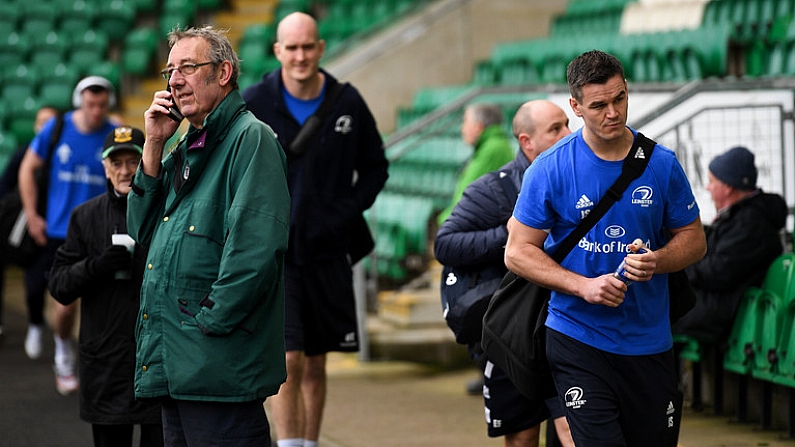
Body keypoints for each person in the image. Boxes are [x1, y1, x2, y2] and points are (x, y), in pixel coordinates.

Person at [504, 50, 707, 447]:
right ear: (576, 107)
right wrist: (582, 286)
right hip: (578, 338)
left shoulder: (661, 163)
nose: (612, 112)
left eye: (619, 99)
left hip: (650, 342)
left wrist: (657, 260)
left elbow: (695, 239)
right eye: (598, 105)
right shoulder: (549, 167)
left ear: (627, 90)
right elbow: (517, 251)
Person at [128, 25, 290, 446]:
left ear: (223, 73)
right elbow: (142, 232)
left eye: (187, 67)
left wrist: (208, 324)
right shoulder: (187, 144)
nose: (175, 80)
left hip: (215, 365)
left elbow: (255, 252)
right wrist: (153, 147)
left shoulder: (250, 139)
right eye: (170, 72)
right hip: (179, 365)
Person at [242, 12, 389, 447]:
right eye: (292, 47)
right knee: (287, 359)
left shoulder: (347, 101)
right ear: (277, 51)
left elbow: (376, 168)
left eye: (308, 46)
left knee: (317, 362)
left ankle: (308, 442)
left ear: (321, 48)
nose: (301, 55)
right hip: (275, 255)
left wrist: (343, 213)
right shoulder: (255, 101)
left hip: (327, 254)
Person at [435, 100, 574, 447]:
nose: (569, 135)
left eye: (567, 124)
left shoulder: (586, 177)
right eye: (556, 129)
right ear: (527, 142)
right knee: (522, 434)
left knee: (571, 429)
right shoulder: (494, 189)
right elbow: (446, 245)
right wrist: (509, 234)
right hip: (516, 331)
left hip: (571, 324)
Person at [48, 126, 164, 447]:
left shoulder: (167, 211)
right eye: (116, 163)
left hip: (158, 363)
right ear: (105, 167)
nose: (125, 171)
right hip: (106, 365)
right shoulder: (85, 216)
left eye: (133, 161)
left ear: (149, 161)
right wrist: (95, 266)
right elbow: (59, 286)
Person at [18, 77, 118, 395]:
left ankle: (102, 366)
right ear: (80, 101)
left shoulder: (112, 133)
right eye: (90, 104)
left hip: (100, 231)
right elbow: (27, 169)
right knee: (65, 305)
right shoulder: (58, 128)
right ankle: (62, 349)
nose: (96, 111)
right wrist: (33, 214)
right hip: (61, 233)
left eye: (102, 105)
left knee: (107, 304)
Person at [673, 146, 787, 342]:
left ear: (728, 186)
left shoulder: (750, 223)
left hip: (723, 312)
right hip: (714, 304)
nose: (707, 187)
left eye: (711, 181)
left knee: (651, 316)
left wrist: (677, 263)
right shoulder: (741, 217)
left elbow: (717, 272)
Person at [0, 106, 58, 338]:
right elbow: (5, 188)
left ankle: (38, 322)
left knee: (39, 283)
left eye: (49, 122)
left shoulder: (63, 155)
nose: (43, 127)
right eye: (40, 121)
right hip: (20, 227)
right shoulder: (23, 153)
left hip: (52, 229)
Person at [436, 102, 515, 225]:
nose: (461, 128)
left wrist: (445, 224)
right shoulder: (493, 146)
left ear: (479, 127)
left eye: (465, 122)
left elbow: (467, 197)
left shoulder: (493, 150)